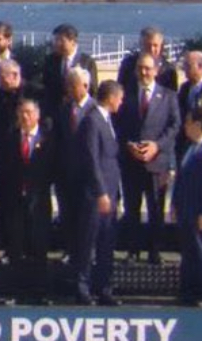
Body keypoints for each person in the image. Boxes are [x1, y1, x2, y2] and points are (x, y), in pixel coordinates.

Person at [116, 52, 180, 264]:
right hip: (131, 162)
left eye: (148, 68)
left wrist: (157, 146)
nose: (144, 72)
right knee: (131, 209)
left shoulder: (168, 96)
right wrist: (128, 145)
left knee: (156, 209)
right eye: (140, 68)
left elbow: (174, 126)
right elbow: (117, 125)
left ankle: (155, 251)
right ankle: (132, 251)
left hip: (157, 162)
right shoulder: (125, 95)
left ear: (156, 70)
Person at [0, 98, 55, 305]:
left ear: (37, 115)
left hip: (39, 202)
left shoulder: (48, 139)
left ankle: (40, 293)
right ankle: (17, 293)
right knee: (16, 249)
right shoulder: (10, 138)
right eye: (22, 112)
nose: (25, 116)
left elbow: (53, 170)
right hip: (15, 203)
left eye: (29, 113)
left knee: (39, 249)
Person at [75, 80, 123, 306]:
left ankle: (104, 288)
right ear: (111, 97)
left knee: (106, 243)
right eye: (119, 98)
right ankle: (82, 288)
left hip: (111, 193)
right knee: (88, 242)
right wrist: (101, 192)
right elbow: (92, 159)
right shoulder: (92, 121)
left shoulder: (107, 120)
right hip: (97, 195)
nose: (120, 103)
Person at [170, 106, 202, 307]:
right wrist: (175, 204)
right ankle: (188, 291)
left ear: (198, 125)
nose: (185, 127)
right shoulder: (190, 147)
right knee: (189, 252)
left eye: (188, 122)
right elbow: (181, 179)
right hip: (186, 210)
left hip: (201, 212)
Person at [55, 66, 94, 264]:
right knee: (67, 215)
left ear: (85, 86)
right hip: (66, 173)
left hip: (88, 174)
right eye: (67, 84)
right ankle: (70, 250)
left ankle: (87, 254)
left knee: (86, 218)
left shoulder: (95, 110)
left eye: (73, 85)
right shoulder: (63, 109)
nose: (69, 89)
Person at [41, 24, 98, 116]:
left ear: (73, 42)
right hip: (55, 114)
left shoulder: (87, 62)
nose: (57, 44)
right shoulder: (50, 61)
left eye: (61, 40)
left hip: (80, 113)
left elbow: (93, 90)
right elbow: (46, 86)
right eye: (56, 40)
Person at [116, 26, 179, 102]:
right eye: (148, 45)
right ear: (141, 45)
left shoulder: (169, 70)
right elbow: (119, 91)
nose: (152, 49)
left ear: (161, 46)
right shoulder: (128, 64)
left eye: (155, 45)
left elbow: (172, 99)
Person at [176, 51, 202, 161]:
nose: (184, 69)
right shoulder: (184, 88)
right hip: (185, 142)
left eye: (188, 66)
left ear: (201, 67)